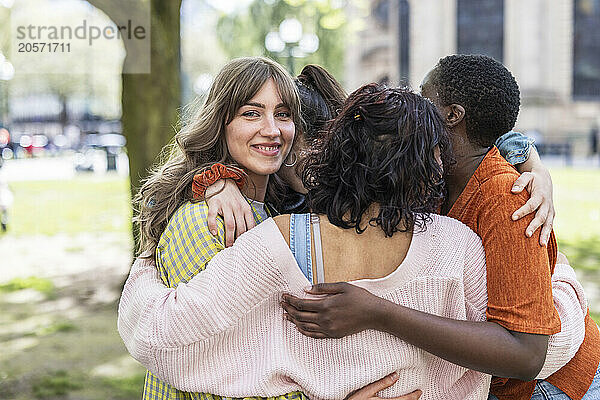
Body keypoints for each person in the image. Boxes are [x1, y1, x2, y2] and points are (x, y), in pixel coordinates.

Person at [121, 83, 493, 399]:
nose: (273, 131)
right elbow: (532, 340)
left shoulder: (279, 234)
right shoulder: (457, 242)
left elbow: (171, 340)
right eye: (252, 113)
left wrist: (144, 266)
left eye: (283, 116)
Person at [282, 55, 599, 400]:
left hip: (546, 388)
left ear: (452, 115)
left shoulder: (507, 197)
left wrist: (376, 312)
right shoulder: (432, 181)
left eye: (424, 94)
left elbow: (526, 353)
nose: (416, 104)